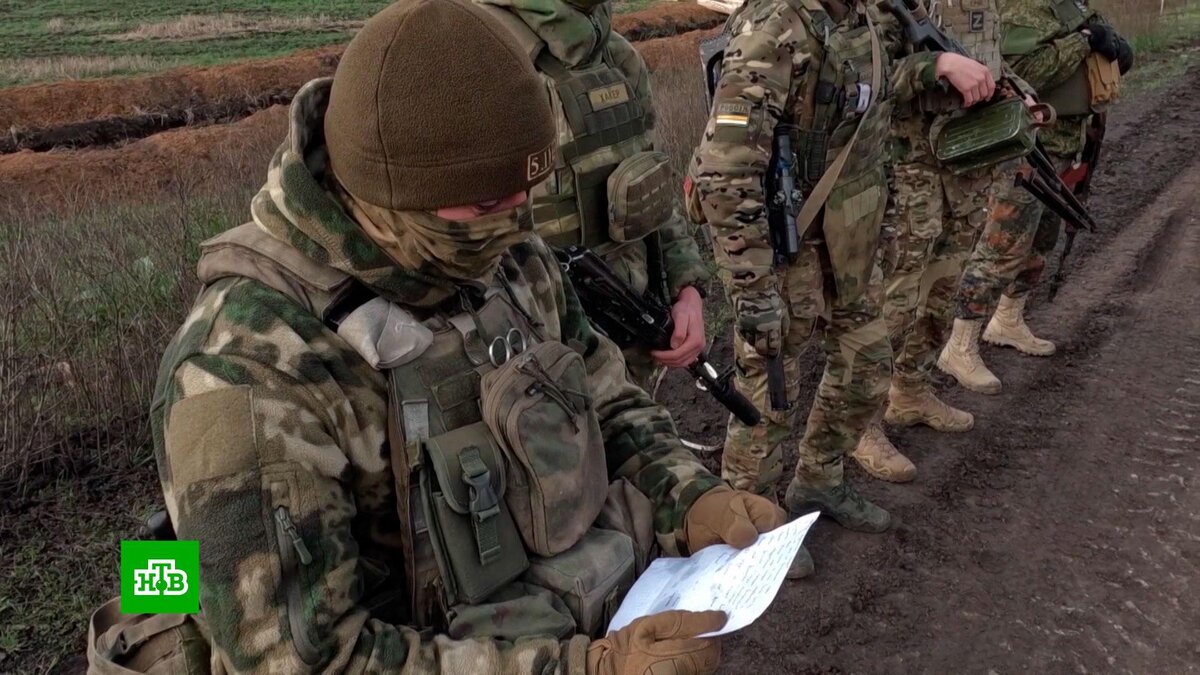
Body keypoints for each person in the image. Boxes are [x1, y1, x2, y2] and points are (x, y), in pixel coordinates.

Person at [87, 1, 795, 672]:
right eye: (487, 203)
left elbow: (603, 397)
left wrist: (687, 497)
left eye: (525, 195)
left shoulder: (507, 259)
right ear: (394, 190)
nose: (515, 224)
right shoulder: (247, 370)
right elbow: (309, 660)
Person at [688, 0, 996, 531]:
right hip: (784, 243)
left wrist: (934, 67)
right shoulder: (776, 28)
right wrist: (753, 289)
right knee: (770, 392)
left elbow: (873, 90)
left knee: (867, 364)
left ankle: (819, 479)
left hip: (849, 238)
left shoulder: (859, 16)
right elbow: (724, 173)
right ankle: (750, 522)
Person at [475, 0, 711, 391]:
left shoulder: (617, 57)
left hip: (633, 334)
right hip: (537, 361)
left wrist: (687, 288)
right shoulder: (484, 60)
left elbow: (651, 187)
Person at [851, 0, 1038, 482]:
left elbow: (987, 56)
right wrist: (936, 66)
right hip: (908, 170)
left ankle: (910, 390)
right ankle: (857, 424)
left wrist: (1018, 93)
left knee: (941, 292)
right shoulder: (887, 4)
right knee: (894, 303)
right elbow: (861, 74)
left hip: (968, 163)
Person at [940, 0, 1133, 392]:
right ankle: (959, 345)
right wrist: (1082, 42)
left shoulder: (1073, 8)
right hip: (1027, 150)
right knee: (1000, 249)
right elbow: (1021, 72)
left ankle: (1007, 320)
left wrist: (1117, 50)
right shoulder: (1025, 10)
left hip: (1066, 146)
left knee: (1040, 243)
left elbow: (1102, 53)